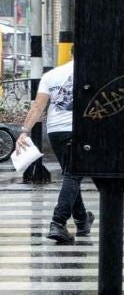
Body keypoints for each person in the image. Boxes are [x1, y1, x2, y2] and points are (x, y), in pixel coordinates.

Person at [14, 60, 94, 245]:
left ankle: (82, 221)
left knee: (71, 173)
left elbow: (38, 107)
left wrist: (25, 131)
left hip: (55, 131)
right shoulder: (91, 71)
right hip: (78, 129)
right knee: (73, 174)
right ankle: (58, 221)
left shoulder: (50, 75)